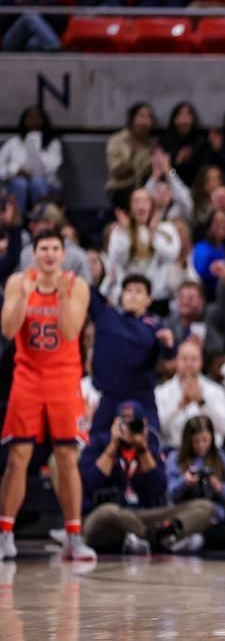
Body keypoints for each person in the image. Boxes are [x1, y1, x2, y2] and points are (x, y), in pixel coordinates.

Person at [0, 230, 94, 561]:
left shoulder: (76, 285)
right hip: (27, 377)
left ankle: (73, 536)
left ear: (63, 255)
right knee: (17, 458)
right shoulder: (17, 282)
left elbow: (70, 332)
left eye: (55, 248)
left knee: (68, 459)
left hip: (64, 378)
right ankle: (5, 534)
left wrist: (62, 297)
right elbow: (8, 330)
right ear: (34, 253)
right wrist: (25, 298)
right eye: (44, 249)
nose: (50, 254)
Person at [79, 401, 217, 554]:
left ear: (144, 425)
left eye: (135, 424)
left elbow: (158, 489)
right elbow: (88, 483)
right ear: (115, 424)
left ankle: (150, 538)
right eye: (124, 423)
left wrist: (143, 450)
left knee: (205, 507)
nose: (130, 429)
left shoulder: (151, 446)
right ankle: (157, 539)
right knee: (107, 513)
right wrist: (112, 447)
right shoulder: (99, 443)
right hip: (109, 515)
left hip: (144, 514)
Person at [87, 272, 176, 435]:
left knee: (151, 445)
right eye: (128, 290)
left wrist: (169, 345)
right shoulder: (106, 316)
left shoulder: (155, 326)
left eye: (139, 291)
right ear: (121, 296)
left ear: (149, 300)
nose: (133, 295)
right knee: (95, 448)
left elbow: (170, 362)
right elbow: (86, 291)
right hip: (109, 398)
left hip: (141, 399)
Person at [156, 338, 225, 449]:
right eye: (184, 359)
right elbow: (158, 429)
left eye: (193, 359)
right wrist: (178, 407)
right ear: (176, 361)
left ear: (201, 362)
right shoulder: (161, 392)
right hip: (175, 451)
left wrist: (202, 402)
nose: (189, 363)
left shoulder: (216, 391)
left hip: (210, 453)